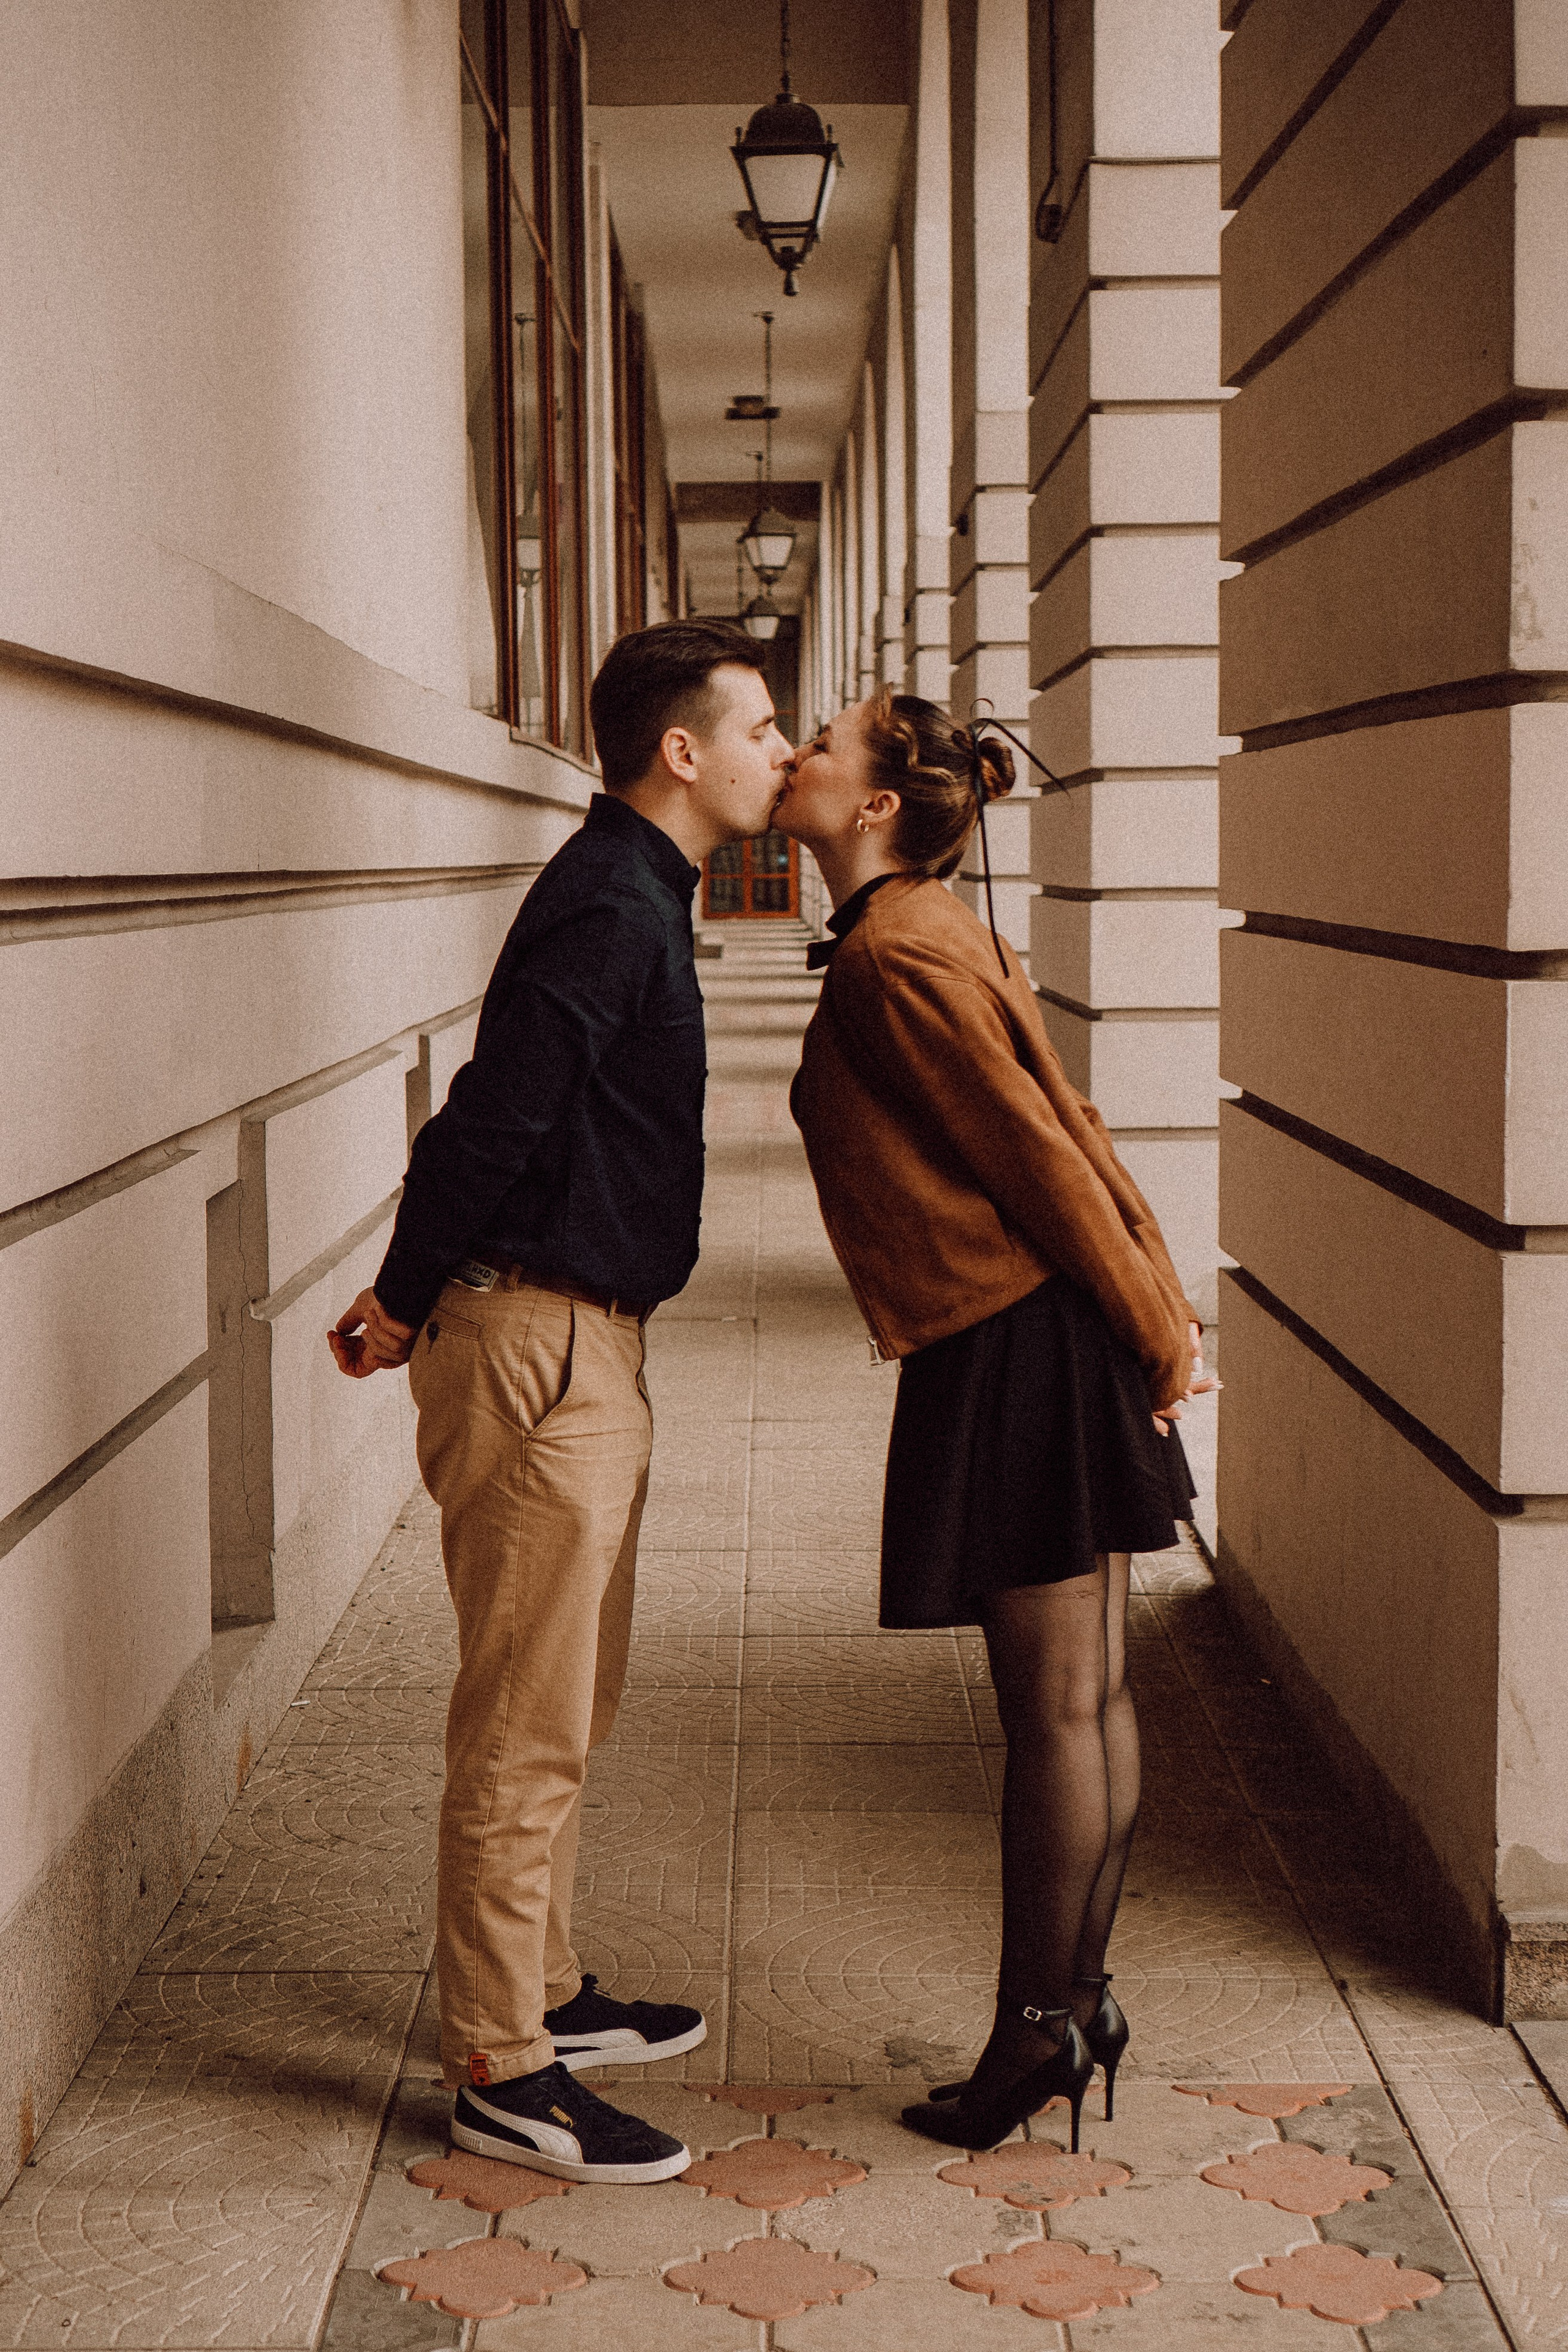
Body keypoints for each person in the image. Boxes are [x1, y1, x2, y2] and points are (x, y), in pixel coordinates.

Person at [328, 620, 792, 2184]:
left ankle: (541, 1992)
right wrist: (403, 1298)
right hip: (536, 1343)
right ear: (683, 750)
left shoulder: (638, 888)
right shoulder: (610, 901)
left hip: (586, 1340)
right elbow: (493, 1113)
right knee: (523, 1725)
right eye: (761, 728)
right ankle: (500, 2066)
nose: (778, 753)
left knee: (567, 1702)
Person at [773, 690, 1216, 2154]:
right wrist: (1151, 1304)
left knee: (1051, 1711)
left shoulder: (894, 954)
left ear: (876, 805)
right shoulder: (920, 932)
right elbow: (1068, 1125)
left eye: (820, 744)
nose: (796, 756)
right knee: (1083, 1696)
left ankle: (1038, 2028)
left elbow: (1041, 1156)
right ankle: (1072, 2003)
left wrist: (1155, 1326)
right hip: (1032, 1334)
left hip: (1017, 1343)